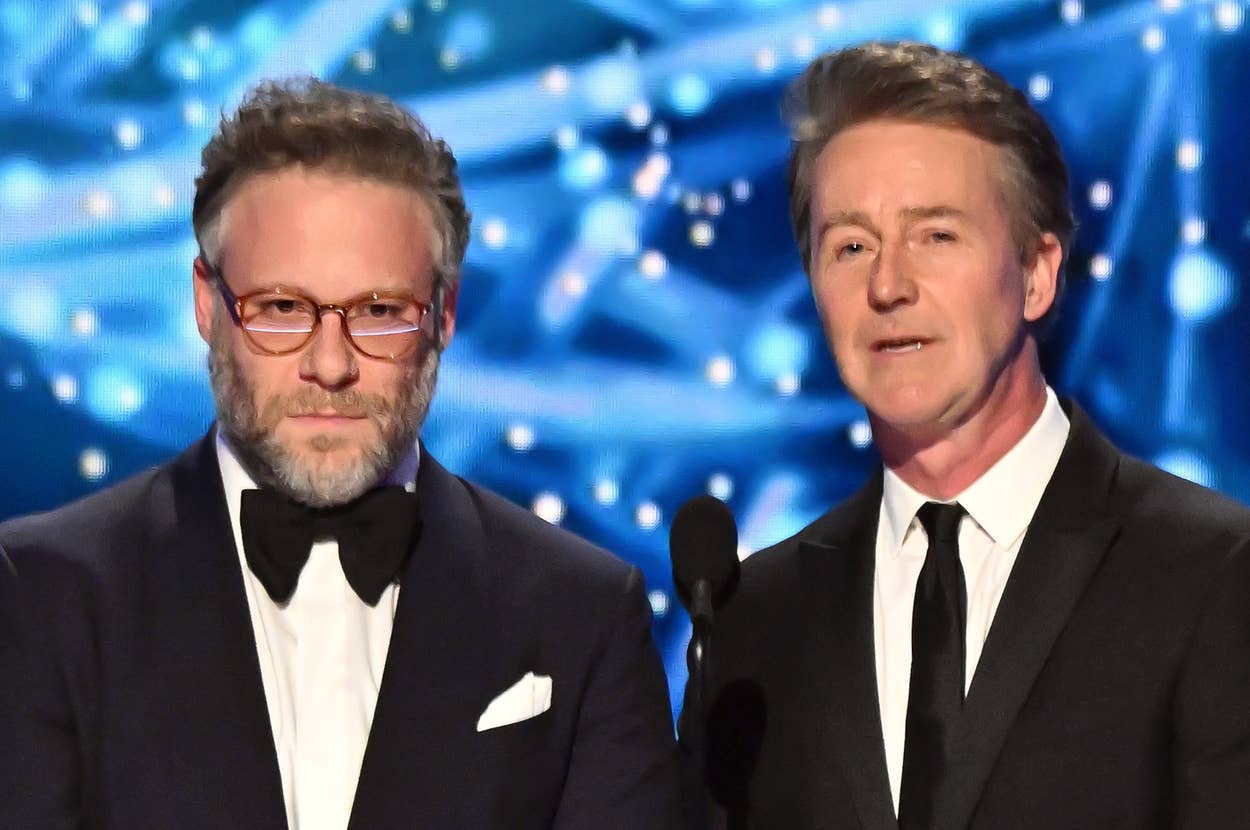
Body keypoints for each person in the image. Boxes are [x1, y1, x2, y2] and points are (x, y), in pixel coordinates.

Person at [0, 78, 681, 830]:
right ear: (207, 305)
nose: (330, 365)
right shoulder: (43, 594)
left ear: (444, 314)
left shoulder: (580, 614)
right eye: (282, 309)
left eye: (380, 312)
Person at [681, 41, 1250, 829]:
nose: (887, 285)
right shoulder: (752, 625)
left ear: (1037, 274)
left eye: (936, 236)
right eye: (850, 246)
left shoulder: (1213, 574)